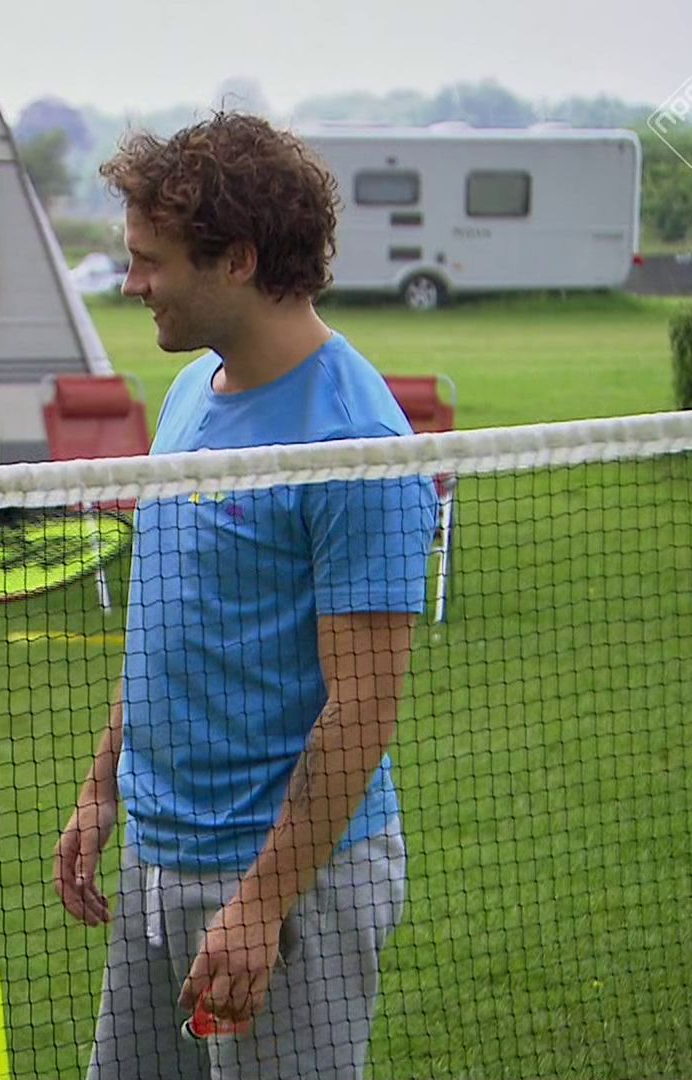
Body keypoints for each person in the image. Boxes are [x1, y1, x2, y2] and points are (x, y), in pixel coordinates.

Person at [51, 114, 437, 1080]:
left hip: (287, 885)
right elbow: (164, 618)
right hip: (158, 860)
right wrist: (103, 788)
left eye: (152, 261)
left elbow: (363, 710)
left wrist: (263, 903)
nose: (133, 283)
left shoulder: (353, 445)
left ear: (239, 261)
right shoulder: (193, 393)